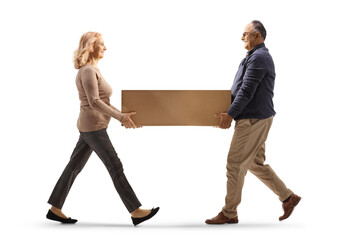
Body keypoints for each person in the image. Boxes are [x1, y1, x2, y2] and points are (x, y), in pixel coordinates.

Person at [46, 32, 159, 226]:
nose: (105, 48)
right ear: (91, 47)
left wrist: (124, 118)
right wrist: (121, 117)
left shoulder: (92, 70)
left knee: (74, 166)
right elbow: (95, 102)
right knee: (115, 166)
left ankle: (55, 208)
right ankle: (135, 210)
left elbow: (104, 101)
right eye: (101, 44)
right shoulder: (88, 71)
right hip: (93, 128)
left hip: (90, 126)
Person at [206, 21, 301, 224]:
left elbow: (246, 91)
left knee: (234, 163)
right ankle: (287, 197)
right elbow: (241, 88)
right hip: (257, 117)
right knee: (254, 163)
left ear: (257, 36)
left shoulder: (259, 57)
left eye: (245, 34)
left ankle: (229, 212)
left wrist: (230, 115)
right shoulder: (253, 57)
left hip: (252, 119)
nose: (242, 38)